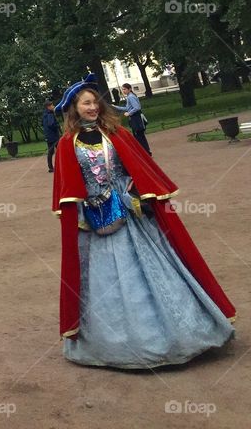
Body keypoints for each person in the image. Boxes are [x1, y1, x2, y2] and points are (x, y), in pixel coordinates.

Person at [52, 74, 234, 368]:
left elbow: (138, 167)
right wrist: (87, 203)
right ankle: (113, 345)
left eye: (95, 102)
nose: (93, 107)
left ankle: (176, 336)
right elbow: (67, 190)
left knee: (153, 272)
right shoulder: (66, 144)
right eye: (86, 103)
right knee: (103, 285)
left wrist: (130, 191)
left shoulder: (116, 133)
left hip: (128, 215)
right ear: (74, 108)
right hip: (95, 222)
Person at [113, 82, 151, 155]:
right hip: (136, 118)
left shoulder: (130, 97)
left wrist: (129, 113)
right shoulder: (130, 96)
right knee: (140, 136)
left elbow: (137, 107)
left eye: (124, 89)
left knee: (138, 136)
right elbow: (128, 108)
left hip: (136, 118)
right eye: (122, 89)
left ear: (129, 89)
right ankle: (146, 152)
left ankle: (145, 153)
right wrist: (116, 107)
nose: (123, 91)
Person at [42, 100, 61, 173]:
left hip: (48, 136)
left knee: (50, 152)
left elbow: (43, 124)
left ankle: (50, 167)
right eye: (52, 105)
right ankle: (60, 166)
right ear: (48, 107)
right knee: (59, 150)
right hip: (53, 136)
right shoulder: (50, 114)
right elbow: (51, 124)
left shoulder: (44, 115)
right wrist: (57, 126)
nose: (53, 107)